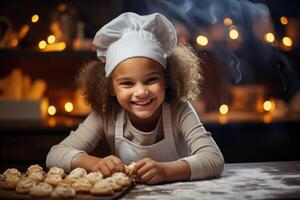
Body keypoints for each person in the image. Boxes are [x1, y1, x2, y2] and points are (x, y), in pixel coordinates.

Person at [46, 12, 224, 184]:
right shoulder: (106, 114)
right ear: (110, 88)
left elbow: (214, 159)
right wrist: (94, 163)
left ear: (167, 79)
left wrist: (165, 171)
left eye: (151, 80)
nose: (140, 92)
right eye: (127, 83)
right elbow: (54, 155)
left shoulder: (179, 110)